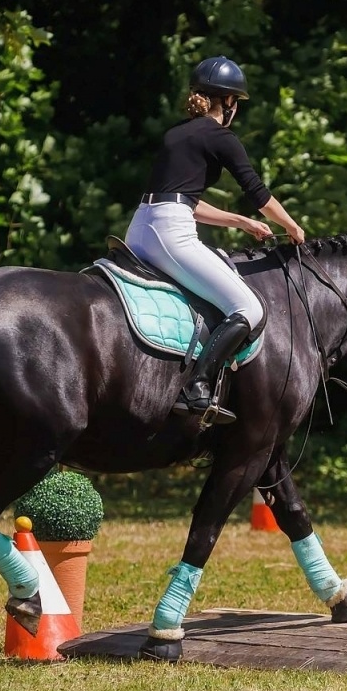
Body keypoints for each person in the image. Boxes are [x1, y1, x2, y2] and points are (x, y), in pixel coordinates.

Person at [127, 55, 306, 424]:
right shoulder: (221, 137)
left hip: (140, 228)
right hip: (170, 233)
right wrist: (292, 226)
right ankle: (197, 387)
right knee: (249, 308)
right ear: (228, 101)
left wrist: (241, 222)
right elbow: (258, 194)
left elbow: (182, 200)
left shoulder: (176, 133)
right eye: (236, 102)